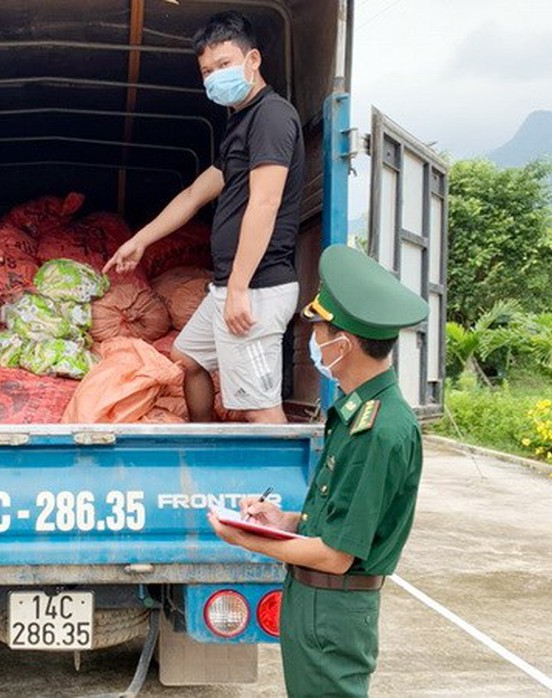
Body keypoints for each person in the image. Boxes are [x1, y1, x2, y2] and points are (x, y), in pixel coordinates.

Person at [208, 244, 430, 697]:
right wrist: (282, 521)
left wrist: (246, 540)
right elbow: (342, 521)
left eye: (321, 331)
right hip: (318, 603)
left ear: (343, 344)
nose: (314, 342)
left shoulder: (379, 429)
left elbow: (336, 556)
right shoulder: (359, 412)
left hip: (333, 609)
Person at [103, 10, 305, 424]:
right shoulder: (240, 123)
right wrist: (140, 239)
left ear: (253, 60)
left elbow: (264, 204)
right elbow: (195, 194)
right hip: (229, 285)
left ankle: (273, 491)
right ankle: (203, 441)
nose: (215, 76)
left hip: (257, 287)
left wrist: (238, 288)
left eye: (225, 65)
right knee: (187, 358)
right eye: (207, 70)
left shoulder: (271, 117)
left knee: (258, 407)